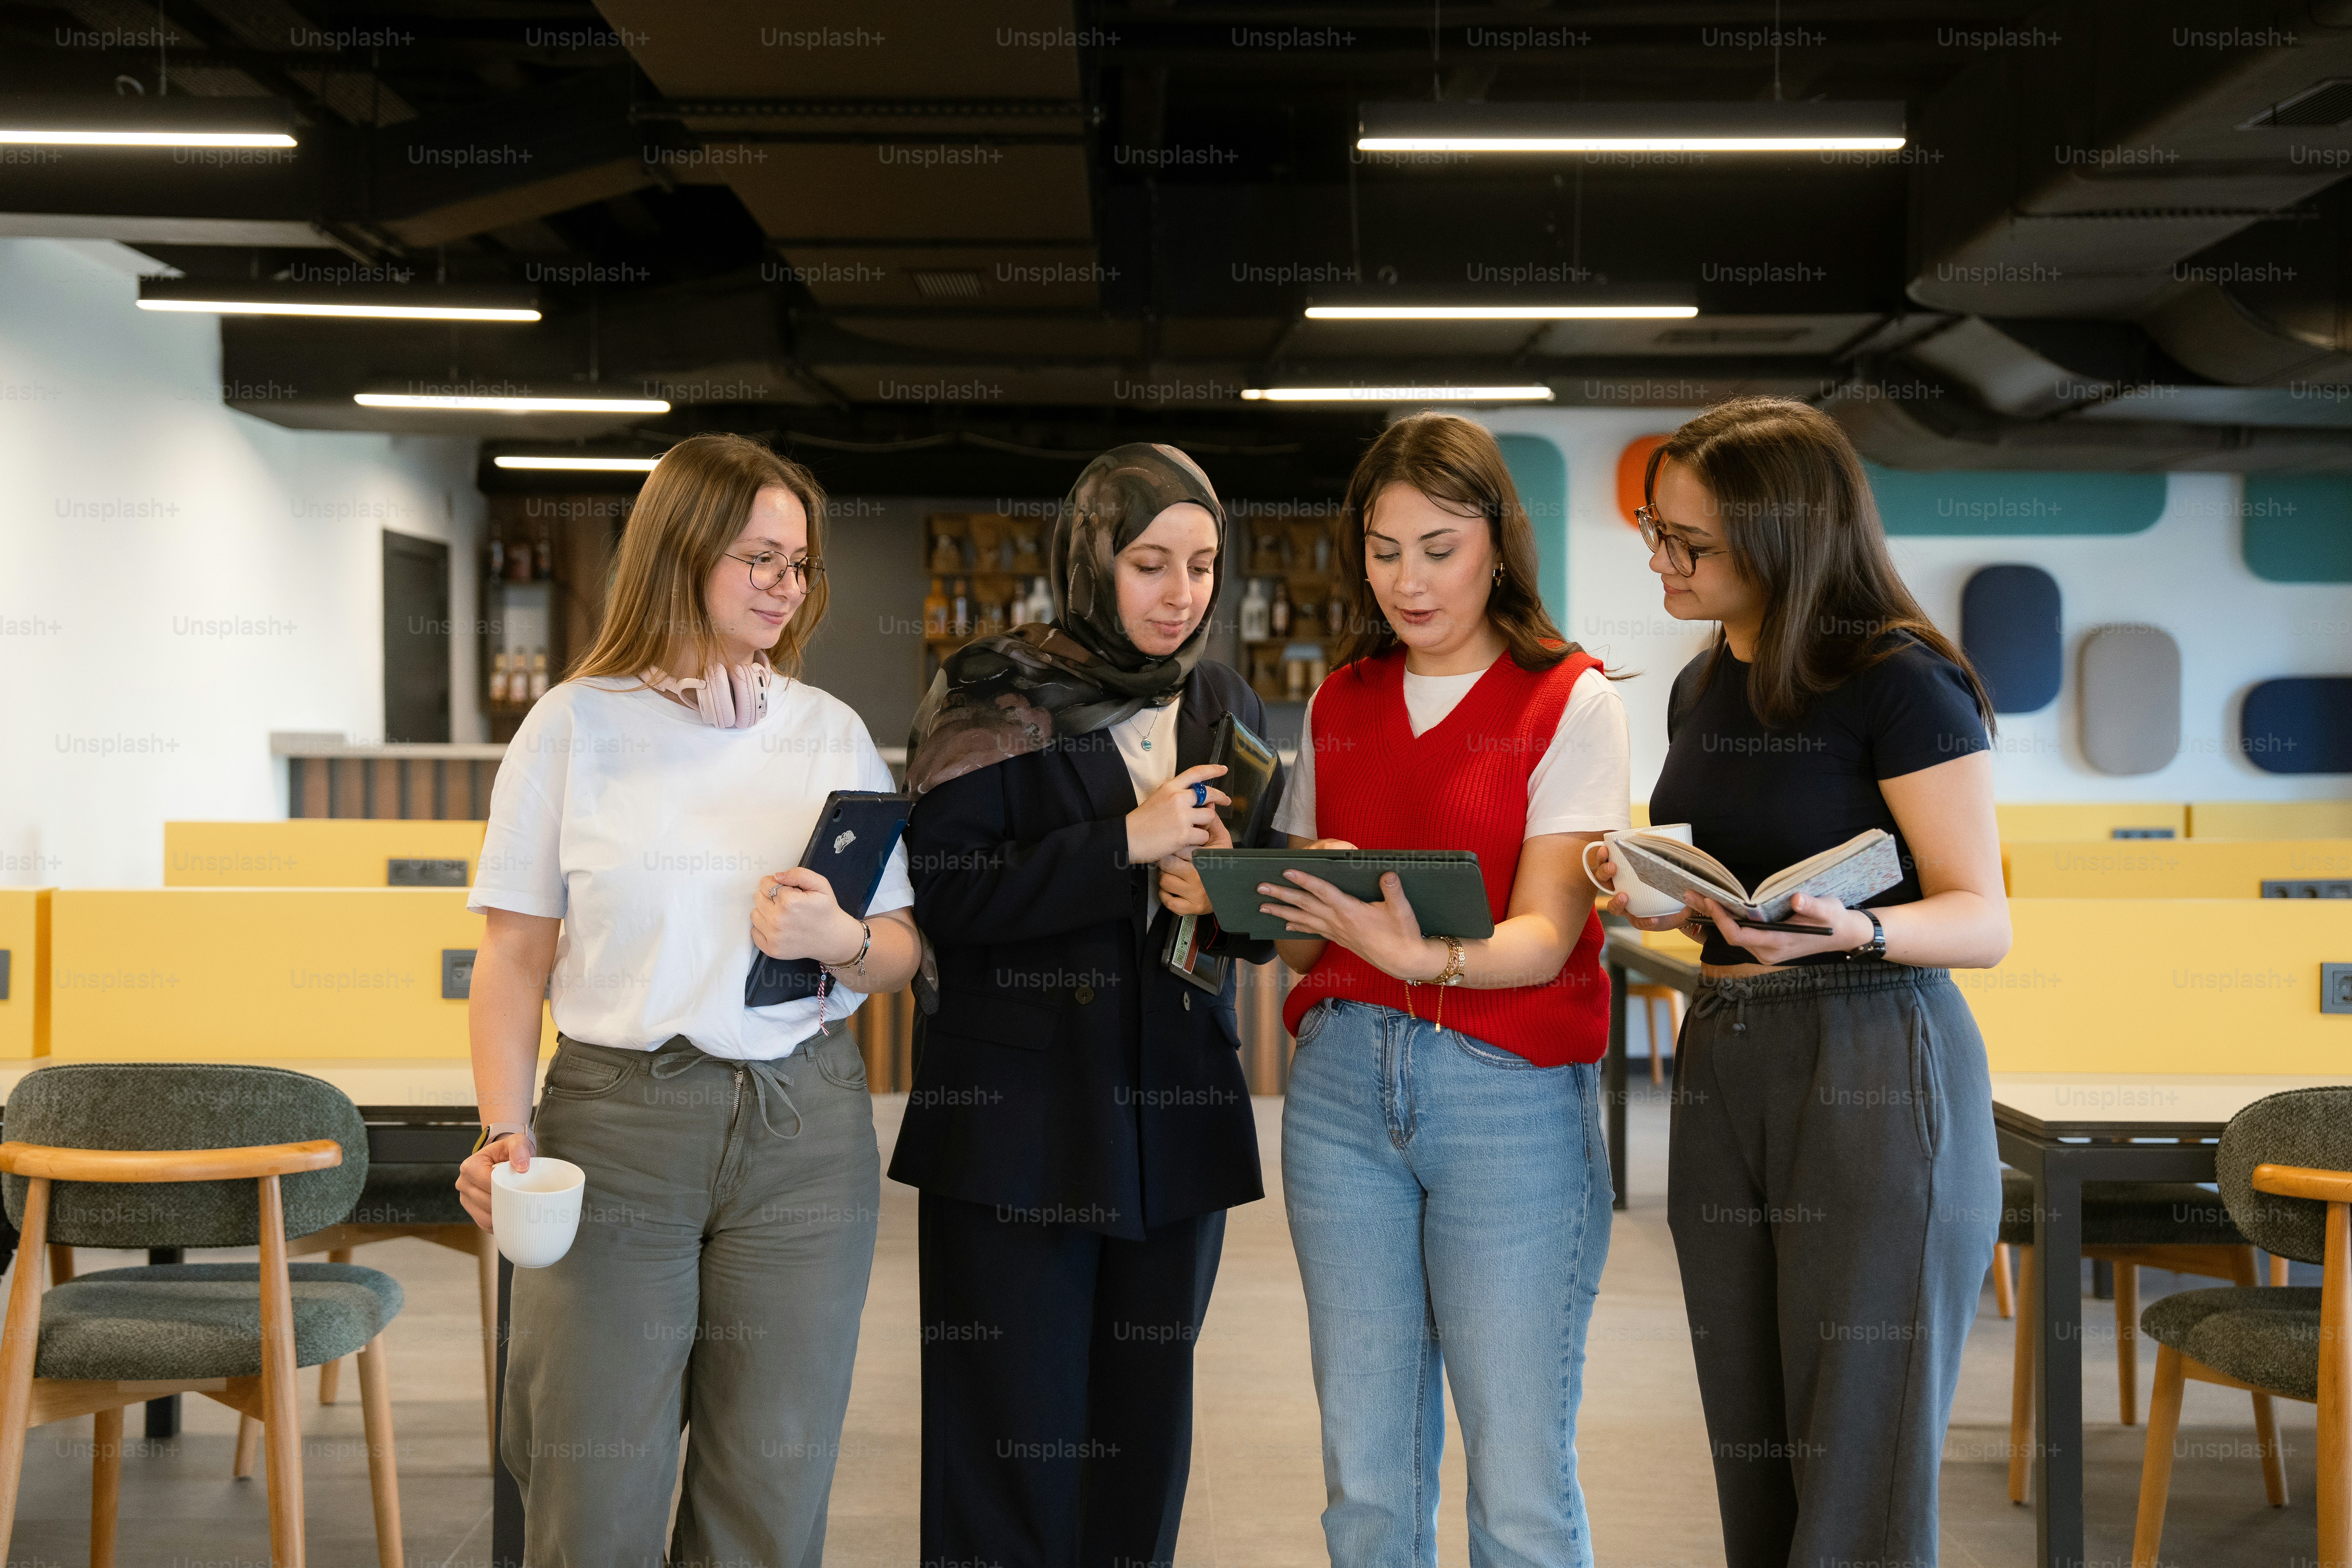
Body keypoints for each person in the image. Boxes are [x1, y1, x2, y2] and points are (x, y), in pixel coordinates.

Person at [455, 433, 921, 1568]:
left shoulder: (830, 732)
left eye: (798, 564)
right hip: (617, 1128)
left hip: (804, 1131)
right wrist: (503, 1130)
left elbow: (900, 952)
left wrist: (843, 940)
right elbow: (514, 960)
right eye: (760, 557)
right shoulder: (573, 726)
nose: (785, 586)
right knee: (588, 1484)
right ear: (680, 552)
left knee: (770, 1483)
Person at [1596, 395, 2008, 1567]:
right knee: (1751, 1431)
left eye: (1692, 543)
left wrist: (1858, 935)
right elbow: (1725, 871)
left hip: (1872, 1057)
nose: (1662, 559)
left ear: (1785, 541)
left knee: (1856, 1451)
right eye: (1653, 528)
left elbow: (1982, 918)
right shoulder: (1699, 685)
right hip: (1729, 1050)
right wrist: (1670, 899)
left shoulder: (1899, 680)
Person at [891, 443, 1282, 1563]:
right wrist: (1126, 840)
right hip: (1019, 1118)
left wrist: (1240, 890)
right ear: (1092, 557)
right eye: (1151, 562)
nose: (1182, 594)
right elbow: (950, 899)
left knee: (1143, 1442)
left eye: (1204, 565)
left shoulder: (1221, 698)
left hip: (1173, 1121)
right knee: (1007, 1441)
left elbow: (1240, 929)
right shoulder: (988, 691)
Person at [1261, 411, 1629, 1566]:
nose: (1408, 580)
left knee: (1519, 1484)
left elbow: (1545, 930)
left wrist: (1425, 960)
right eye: (1384, 550)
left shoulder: (1571, 701)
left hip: (1507, 1097)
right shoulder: (1339, 702)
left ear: (1498, 546)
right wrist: (1263, 902)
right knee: (1366, 1483)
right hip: (1338, 1095)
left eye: (1439, 547)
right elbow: (1309, 953)